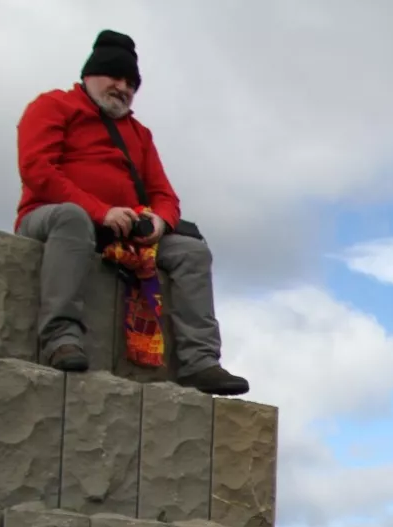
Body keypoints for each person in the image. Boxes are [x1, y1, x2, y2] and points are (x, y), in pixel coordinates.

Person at [15, 31, 248, 395]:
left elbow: (165, 195)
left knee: (191, 252)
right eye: (115, 77)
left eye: (131, 83)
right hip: (51, 218)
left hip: (121, 233)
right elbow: (37, 170)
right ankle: (61, 338)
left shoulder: (139, 134)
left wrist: (160, 221)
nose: (123, 88)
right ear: (90, 75)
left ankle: (200, 361)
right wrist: (100, 211)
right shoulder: (52, 106)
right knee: (73, 217)